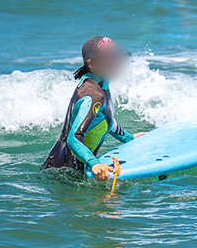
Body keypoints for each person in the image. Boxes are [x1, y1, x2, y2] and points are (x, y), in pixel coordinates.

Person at [42, 36, 142, 179]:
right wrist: (94, 164)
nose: (118, 64)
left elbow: (103, 118)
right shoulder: (93, 95)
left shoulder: (101, 86)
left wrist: (128, 137)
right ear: (93, 65)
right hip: (63, 175)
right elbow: (74, 138)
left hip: (70, 171)